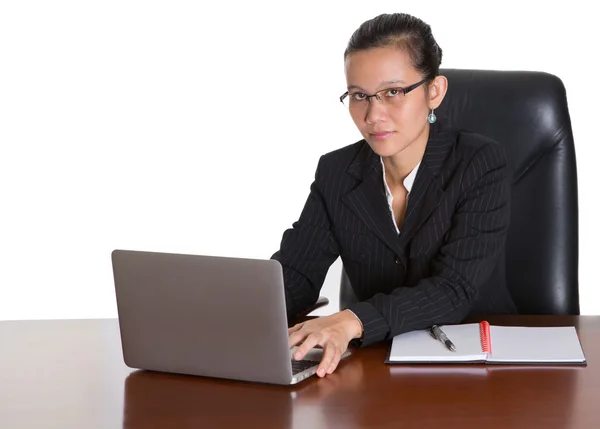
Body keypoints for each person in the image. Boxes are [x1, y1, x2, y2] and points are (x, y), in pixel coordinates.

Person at [271, 12, 517, 378]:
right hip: (374, 368)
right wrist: (241, 313)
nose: (373, 115)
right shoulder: (337, 172)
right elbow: (296, 275)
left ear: (434, 92)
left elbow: (454, 288)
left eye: (393, 92)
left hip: (481, 365)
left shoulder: (479, 163)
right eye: (359, 96)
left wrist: (352, 319)